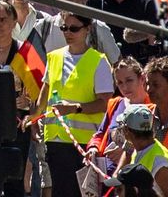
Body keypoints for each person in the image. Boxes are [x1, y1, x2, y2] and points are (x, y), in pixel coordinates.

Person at [39, 10, 113, 197]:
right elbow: (45, 92)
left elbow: (105, 103)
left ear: (87, 29)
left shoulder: (99, 61)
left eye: (74, 28)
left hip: (84, 144)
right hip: (55, 140)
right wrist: (34, 116)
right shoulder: (54, 57)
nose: (68, 33)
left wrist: (74, 109)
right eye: (64, 28)